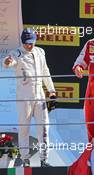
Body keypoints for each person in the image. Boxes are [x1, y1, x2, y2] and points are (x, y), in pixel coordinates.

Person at [2, 28, 56, 167]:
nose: (29, 46)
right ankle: (25, 159)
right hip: (24, 97)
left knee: (44, 128)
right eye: (26, 43)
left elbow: (45, 71)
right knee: (24, 128)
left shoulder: (40, 52)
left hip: (39, 95)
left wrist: (51, 90)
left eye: (31, 42)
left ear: (35, 40)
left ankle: (44, 160)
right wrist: (7, 62)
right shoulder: (16, 53)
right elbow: (8, 63)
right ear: (22, 41)